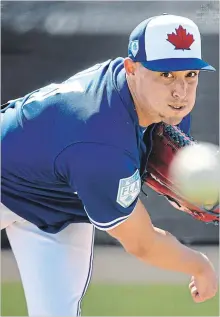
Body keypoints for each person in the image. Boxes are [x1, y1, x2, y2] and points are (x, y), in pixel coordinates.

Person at [1, 13, 218, 317]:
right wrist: (200, 265)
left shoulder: (166, 108)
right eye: (165, 75)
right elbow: (142, 242)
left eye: (190, 75)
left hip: (59, 200)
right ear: (131, 69)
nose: (180, 92)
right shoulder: (102, 144)